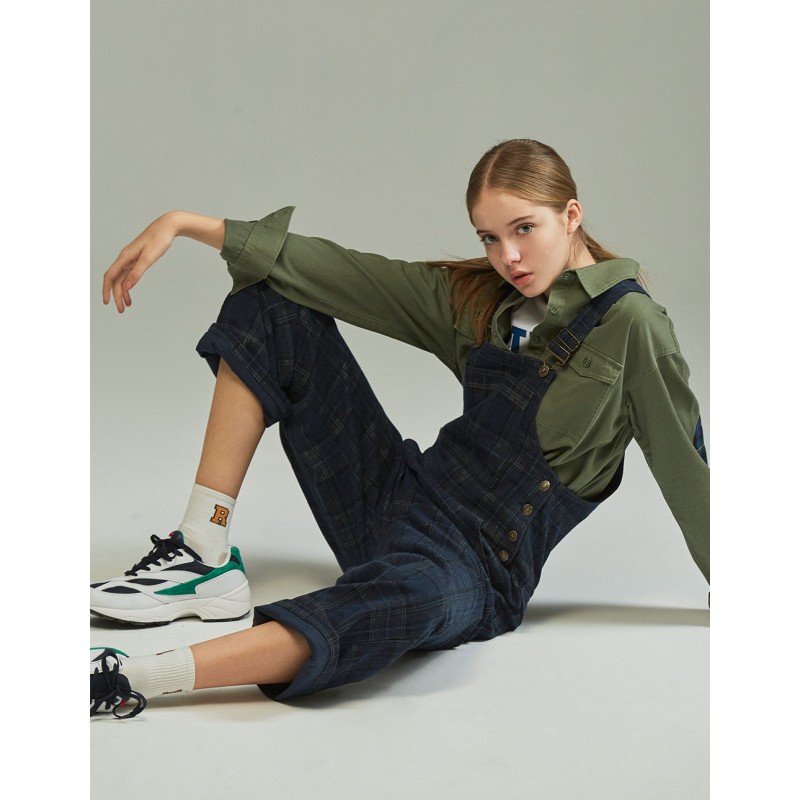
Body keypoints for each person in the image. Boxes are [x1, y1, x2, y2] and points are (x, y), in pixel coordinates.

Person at [90, 139, 709, 719]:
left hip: (471, 570)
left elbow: (686, 462)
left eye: (524, 228)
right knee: (273, 304)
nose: (508, 257)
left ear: (570, 215)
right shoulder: (484, 300)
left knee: (389, 609)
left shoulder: (632, 326)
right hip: (391, 501)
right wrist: (183, 223)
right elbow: (346, 273)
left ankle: (121, 677)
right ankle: (202, 550)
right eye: (490, 238)